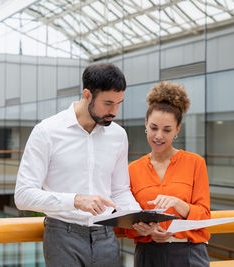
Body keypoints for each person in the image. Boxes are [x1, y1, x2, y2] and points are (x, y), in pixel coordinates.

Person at [15, 63, 141, 267]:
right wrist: (75, 200)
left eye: (119, 103)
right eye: (108, 103)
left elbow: (120, 190)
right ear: (87, 95)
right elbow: (23, 195)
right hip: (62, 237)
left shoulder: (118, 135)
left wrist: (138, 216)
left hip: (107, 237)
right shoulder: (46, 132)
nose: (114, 111)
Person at [125, 81, 211, 267]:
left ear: (177, 130)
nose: (159, 136)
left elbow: (204, 216)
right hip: (148, 255)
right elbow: (126, 223)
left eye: (167, 130)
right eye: (154, 127)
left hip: (190, 254)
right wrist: (142, 230)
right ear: (146, 125)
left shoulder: (195, 163)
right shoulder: (132, 169)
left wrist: (180, 205)